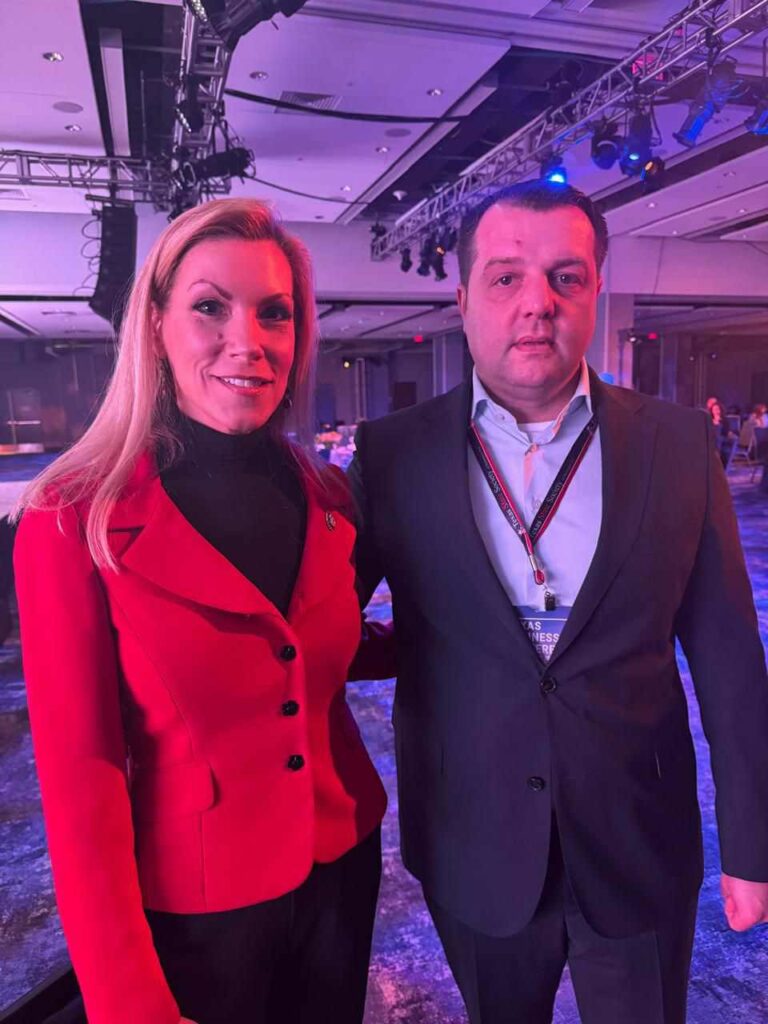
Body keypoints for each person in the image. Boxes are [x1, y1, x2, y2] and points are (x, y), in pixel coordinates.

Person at [349, 181, 768, 1024]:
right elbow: (317, 630)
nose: (537, 302)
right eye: (506, 278)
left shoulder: (677, 444)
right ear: (463, 299)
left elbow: (730, 662)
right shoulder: (393, 455)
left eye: (565, 277)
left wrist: (752, 846)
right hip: (473, 841)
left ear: (596, 291)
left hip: (638, 841)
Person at [12, 198, 392, 1024]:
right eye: (211, 307)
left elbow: (302, 650)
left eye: (274, 313)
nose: (247, 341)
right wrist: (126, 1002)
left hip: (341, 870)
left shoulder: (324, 494)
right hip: (198, 914)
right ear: (155, 325)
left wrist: (474, 628)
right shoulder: (73, 518)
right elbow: (81, 781)